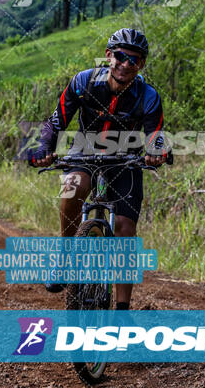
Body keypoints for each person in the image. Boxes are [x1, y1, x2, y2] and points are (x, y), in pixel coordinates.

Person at [30, 28, 166, 309]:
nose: (125, 64)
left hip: (126, 159)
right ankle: (67, 257)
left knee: (125, 230)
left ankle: (122, 309)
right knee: (71, 188)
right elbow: (56, 121)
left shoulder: (148, 96)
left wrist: (156, 152)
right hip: (85, 150)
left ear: (141, 65)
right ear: (108, 56)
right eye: (120, 56)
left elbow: (156, 134)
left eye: (134, 60)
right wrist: (44, 147)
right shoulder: (83, 82)